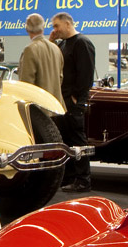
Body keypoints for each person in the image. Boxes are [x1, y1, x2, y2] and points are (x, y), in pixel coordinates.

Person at [51, 11, 95, 192]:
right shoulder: (62, 44)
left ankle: (83, 180)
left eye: (56, 26)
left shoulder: (82, 43)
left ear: (68, 24)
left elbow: (86, 74)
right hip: (62, 101)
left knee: (78, 140)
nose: (55, 29)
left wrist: (76, 97)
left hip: (73, 101)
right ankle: (69, 177)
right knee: (66, 141)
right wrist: (51, 40)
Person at [17, 13, 64, 107]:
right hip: (56, 106)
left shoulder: (30, 49)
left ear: (27, 29)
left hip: (39, 108)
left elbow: (26, 83)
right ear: (43, 27)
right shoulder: (56, 48)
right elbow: (60, 77)